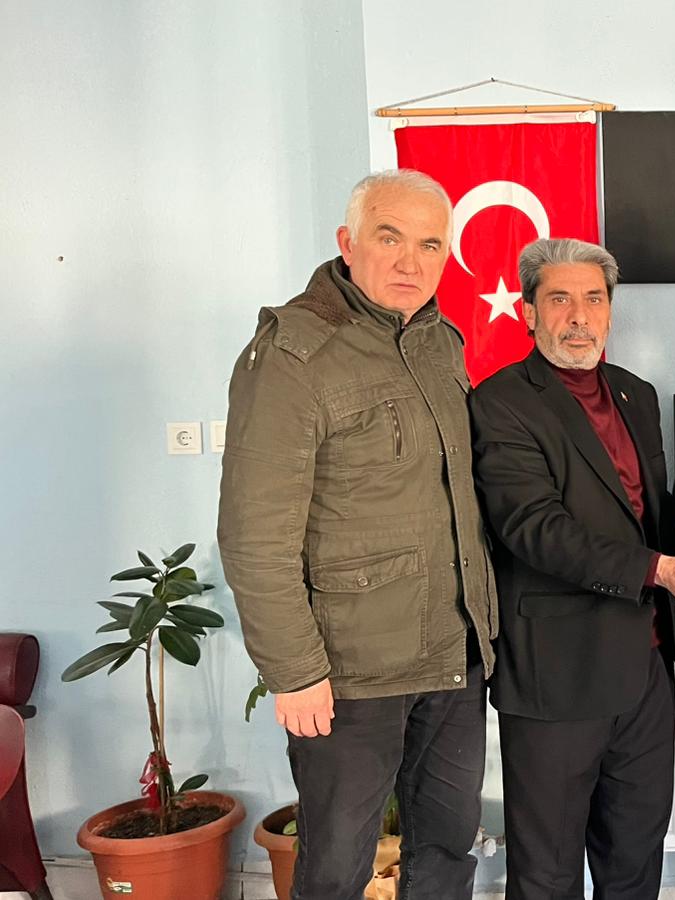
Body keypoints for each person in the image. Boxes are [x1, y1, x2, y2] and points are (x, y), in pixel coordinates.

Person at [218, 169, 495, 900]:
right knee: (337, 867)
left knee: (448, 849)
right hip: (349, 672)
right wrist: (294, 671)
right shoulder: (293, 355)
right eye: (389, 238)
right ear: (348, 243)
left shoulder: (439, 341)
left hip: (452, 655)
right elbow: (253, 534)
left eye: (430, 245)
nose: (411, 262)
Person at [469, 238, 675, 900]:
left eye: (593, 299)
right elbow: (536, 529)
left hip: (645, 669)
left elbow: (636, 506)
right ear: (529, 312)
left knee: (635, 857)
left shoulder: (633, 393)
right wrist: (663, 570)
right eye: (559, 299)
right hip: (556, 675)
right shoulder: (499, 401)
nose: (579, 316)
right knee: (547, 871)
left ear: (610, 311)